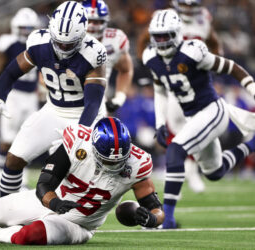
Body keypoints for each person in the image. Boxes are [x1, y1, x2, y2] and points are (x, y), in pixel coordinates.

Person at [0, 117, 164, 245]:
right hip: (51, 201)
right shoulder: (77, 141)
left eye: (118, 160)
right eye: (107, 160)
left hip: (80, 224)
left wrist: (153, 219)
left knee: (31, 235)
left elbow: (156, 208)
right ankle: (1, 227)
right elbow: (44, 184)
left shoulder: (138, 163)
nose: (113, 165)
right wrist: (55, 202)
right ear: (93, 148)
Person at [0, 1, 108, 197]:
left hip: (84, 117)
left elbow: (93, 102)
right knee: (13, 159)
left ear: (82, 35)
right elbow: (11, 72)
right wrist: (0, 96)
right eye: (59, 41)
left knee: (73, 177)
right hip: (53, 110)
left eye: (69, 43)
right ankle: (5, 211)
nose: (63, 47)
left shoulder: (93, 53)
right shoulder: (39, 42)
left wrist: (81, 132)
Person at [142, 9, 255, 229]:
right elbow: (160, 90)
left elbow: (232, 68)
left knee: (176, 150)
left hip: (213, 110)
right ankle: (251, 144)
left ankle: (168, 219)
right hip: (193, 116)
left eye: (166, 36)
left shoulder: (193, 52)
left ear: (177, 34)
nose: (162, 41)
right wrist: (159, 122)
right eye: (158, 36)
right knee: (215, 172)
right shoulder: (151, 57)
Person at [137, 0, 223, 193]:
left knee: (198, 126)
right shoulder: (165, 18)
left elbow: (215, 44)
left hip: (196, 82)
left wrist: (212, 69)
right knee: (174, 125)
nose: (189, 9)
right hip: (173, 80)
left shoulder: (204, 19)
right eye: (185, 4)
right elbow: (144, 40)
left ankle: (192, 168)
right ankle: (184, 169)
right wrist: (150, 69)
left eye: (192, 5)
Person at [0, 8, 40, 196]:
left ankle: (22, 182)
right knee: (6, 140)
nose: (26, 31)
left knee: (26, 141)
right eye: (23, 27)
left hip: (32, 96)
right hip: (13, 95)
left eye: (30, 27)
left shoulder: (39, 42)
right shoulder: (7, 43)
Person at [82, 0, 133, 114]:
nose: (91, 26)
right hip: (63, 102)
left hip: (97, 103)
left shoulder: (115, 40)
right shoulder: (66, 39)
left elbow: (125, 70)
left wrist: (119, 98)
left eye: (96, 21)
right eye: (88, 21)